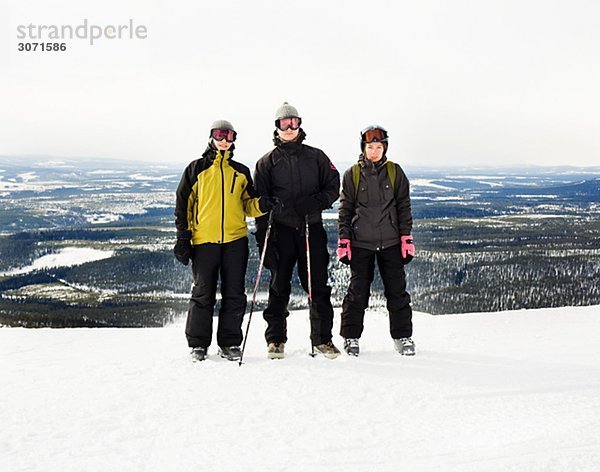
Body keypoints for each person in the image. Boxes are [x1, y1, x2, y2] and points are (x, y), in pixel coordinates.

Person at [174, 120, 275, 362]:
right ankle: (198, 344)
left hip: (235, 241)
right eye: (219, 135)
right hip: (204, 241)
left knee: (234, 293)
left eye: (228, 136)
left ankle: (229, 343)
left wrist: (262, 205)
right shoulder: (196, 169)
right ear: (211, 137)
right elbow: (183, 206)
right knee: (202, 293)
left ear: (233, 140)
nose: (224, 140)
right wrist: (183, 238)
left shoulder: (240, 171)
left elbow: (248, 205)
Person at [254, 102, 341, 359]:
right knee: (279, 286)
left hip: (310, 229)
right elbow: (260, 203)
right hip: (279, 232)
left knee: (317, 285)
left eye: (294, 122)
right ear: (277, 127)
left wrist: (313, 203)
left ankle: (323, 339)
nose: (290, 127)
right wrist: (263, 241)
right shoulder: (266, 163)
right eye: (284, 123)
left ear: (300, 124)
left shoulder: (316, 157)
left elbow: (333, 187)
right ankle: (276, 340)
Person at [337, 125, 416, 356]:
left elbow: (404, 206)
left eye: (378, 147)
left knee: (397, 292)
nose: (374, 151)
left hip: (391, 242)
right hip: (361, 243)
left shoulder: (395, 172)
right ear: (364, 148)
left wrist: (406, 237)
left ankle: (403, 336)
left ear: (385, 148)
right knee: (357, 292)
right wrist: (344, 240)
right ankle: (351, 337)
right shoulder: (352, 174)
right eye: (370, 147)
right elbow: (345, 209)